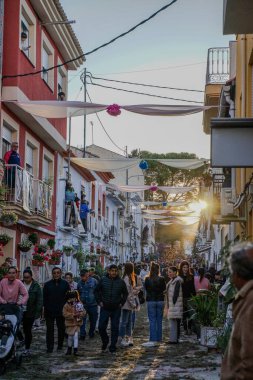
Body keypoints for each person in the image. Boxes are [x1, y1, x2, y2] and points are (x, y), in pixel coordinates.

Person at [221, 242, 253, 379]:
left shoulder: (250, 302)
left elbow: (249, 362)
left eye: (232, 272)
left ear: (238, 275)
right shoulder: (246, 297)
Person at [95, 264, 128, 354]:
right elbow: (96, 291)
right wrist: (99, 301)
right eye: (112, 271)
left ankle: (113, 345)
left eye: (115, 271)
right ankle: (105, 340)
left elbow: (125, 293)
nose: (114, 272)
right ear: (109, 271)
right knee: (101, 327)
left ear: (117, 272)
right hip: (105, 307)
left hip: (116, 308)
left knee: (115, 327)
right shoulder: (103, 280)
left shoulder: (121, 282)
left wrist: (121, 303)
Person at [43, 267, 70, 353]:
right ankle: (49, 347)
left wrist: (67, 308)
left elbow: (68, 297)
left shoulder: (65, 284)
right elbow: (44, 298)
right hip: (49, 310)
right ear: (52, 274)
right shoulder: (47, 284)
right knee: (50, 330)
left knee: (61, 329)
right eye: (54, 273)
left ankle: (60, 345)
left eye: (58, 273)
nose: (56, 274)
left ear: (61, 274)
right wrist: (43, 308)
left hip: (61, 310)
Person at [142, 262, 166, 347]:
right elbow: (164, 289)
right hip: (160, 300)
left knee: (152, 320)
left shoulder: (147, 279)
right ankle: (159, 338)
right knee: (159, 320)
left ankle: (153, 339)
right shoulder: (162, 279)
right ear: (158, 270)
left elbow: (146, 289)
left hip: (151, 300)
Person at [22, 267, 43, 356]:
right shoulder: (20, 283)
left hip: (30, 311)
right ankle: (20, 340)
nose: (26, 279)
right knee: (17, 328)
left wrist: (37, 313)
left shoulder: (36, 285)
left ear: (31, 277)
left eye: (27, 277)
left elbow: (39, 300)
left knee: (27, 330)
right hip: (19, 310)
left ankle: (27, 348)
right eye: (24, 277)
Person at [118, 262, 137, 348]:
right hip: (127, 303)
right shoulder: (126, 278)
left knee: (129, 322)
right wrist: (133, 303)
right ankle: (122, 338)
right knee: (124, 321)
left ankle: (129, 337)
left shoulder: (129, 277)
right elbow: (127, 293)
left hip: (129, 302)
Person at [63, 290, 86, 356]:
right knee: (70, 337)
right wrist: (72, 315)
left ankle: (75, 350)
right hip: (69, 324)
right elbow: (64, 313)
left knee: (76, 336)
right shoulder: (66, 305)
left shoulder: (79, 304)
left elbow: (84, 312)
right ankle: (69, 349)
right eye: (70, 298)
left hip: (77, 323)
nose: (72, 299)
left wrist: (80, 314)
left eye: (73, 298)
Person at [77, 269, 98, 340]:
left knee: (93, 320)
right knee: (82, 320)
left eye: (84, 276)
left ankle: (91, 332)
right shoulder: (79, 283)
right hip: (83, 305)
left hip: (93, 304)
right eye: (82, 276)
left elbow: (98, 291)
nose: (83, 278)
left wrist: (98, 300)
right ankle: (82, 334)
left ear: (88, 274)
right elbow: (78, 293)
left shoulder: (94, 281)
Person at [165, 266, 183, 344]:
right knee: (174, 323)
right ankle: (174, 339)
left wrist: (173, 303)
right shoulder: (172, 281)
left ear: (175, 272)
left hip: (175, 305)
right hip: (173, 305)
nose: (169, 273)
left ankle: (173, 340)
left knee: (174, 323)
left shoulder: (177, 281)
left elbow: (176, 294)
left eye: (170, 272)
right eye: (168, 272)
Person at [178, 260, 196, 334]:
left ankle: (190, 328)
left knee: (191, 313)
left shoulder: (191, 276)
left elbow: (193, 288)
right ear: (181, 268)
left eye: (187, 267)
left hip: (190, 297)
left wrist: (194, 297)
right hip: (182, 297)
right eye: (184, 267)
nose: (185, 269)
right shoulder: (178, 277)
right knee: (184, 314)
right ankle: (185, 329)